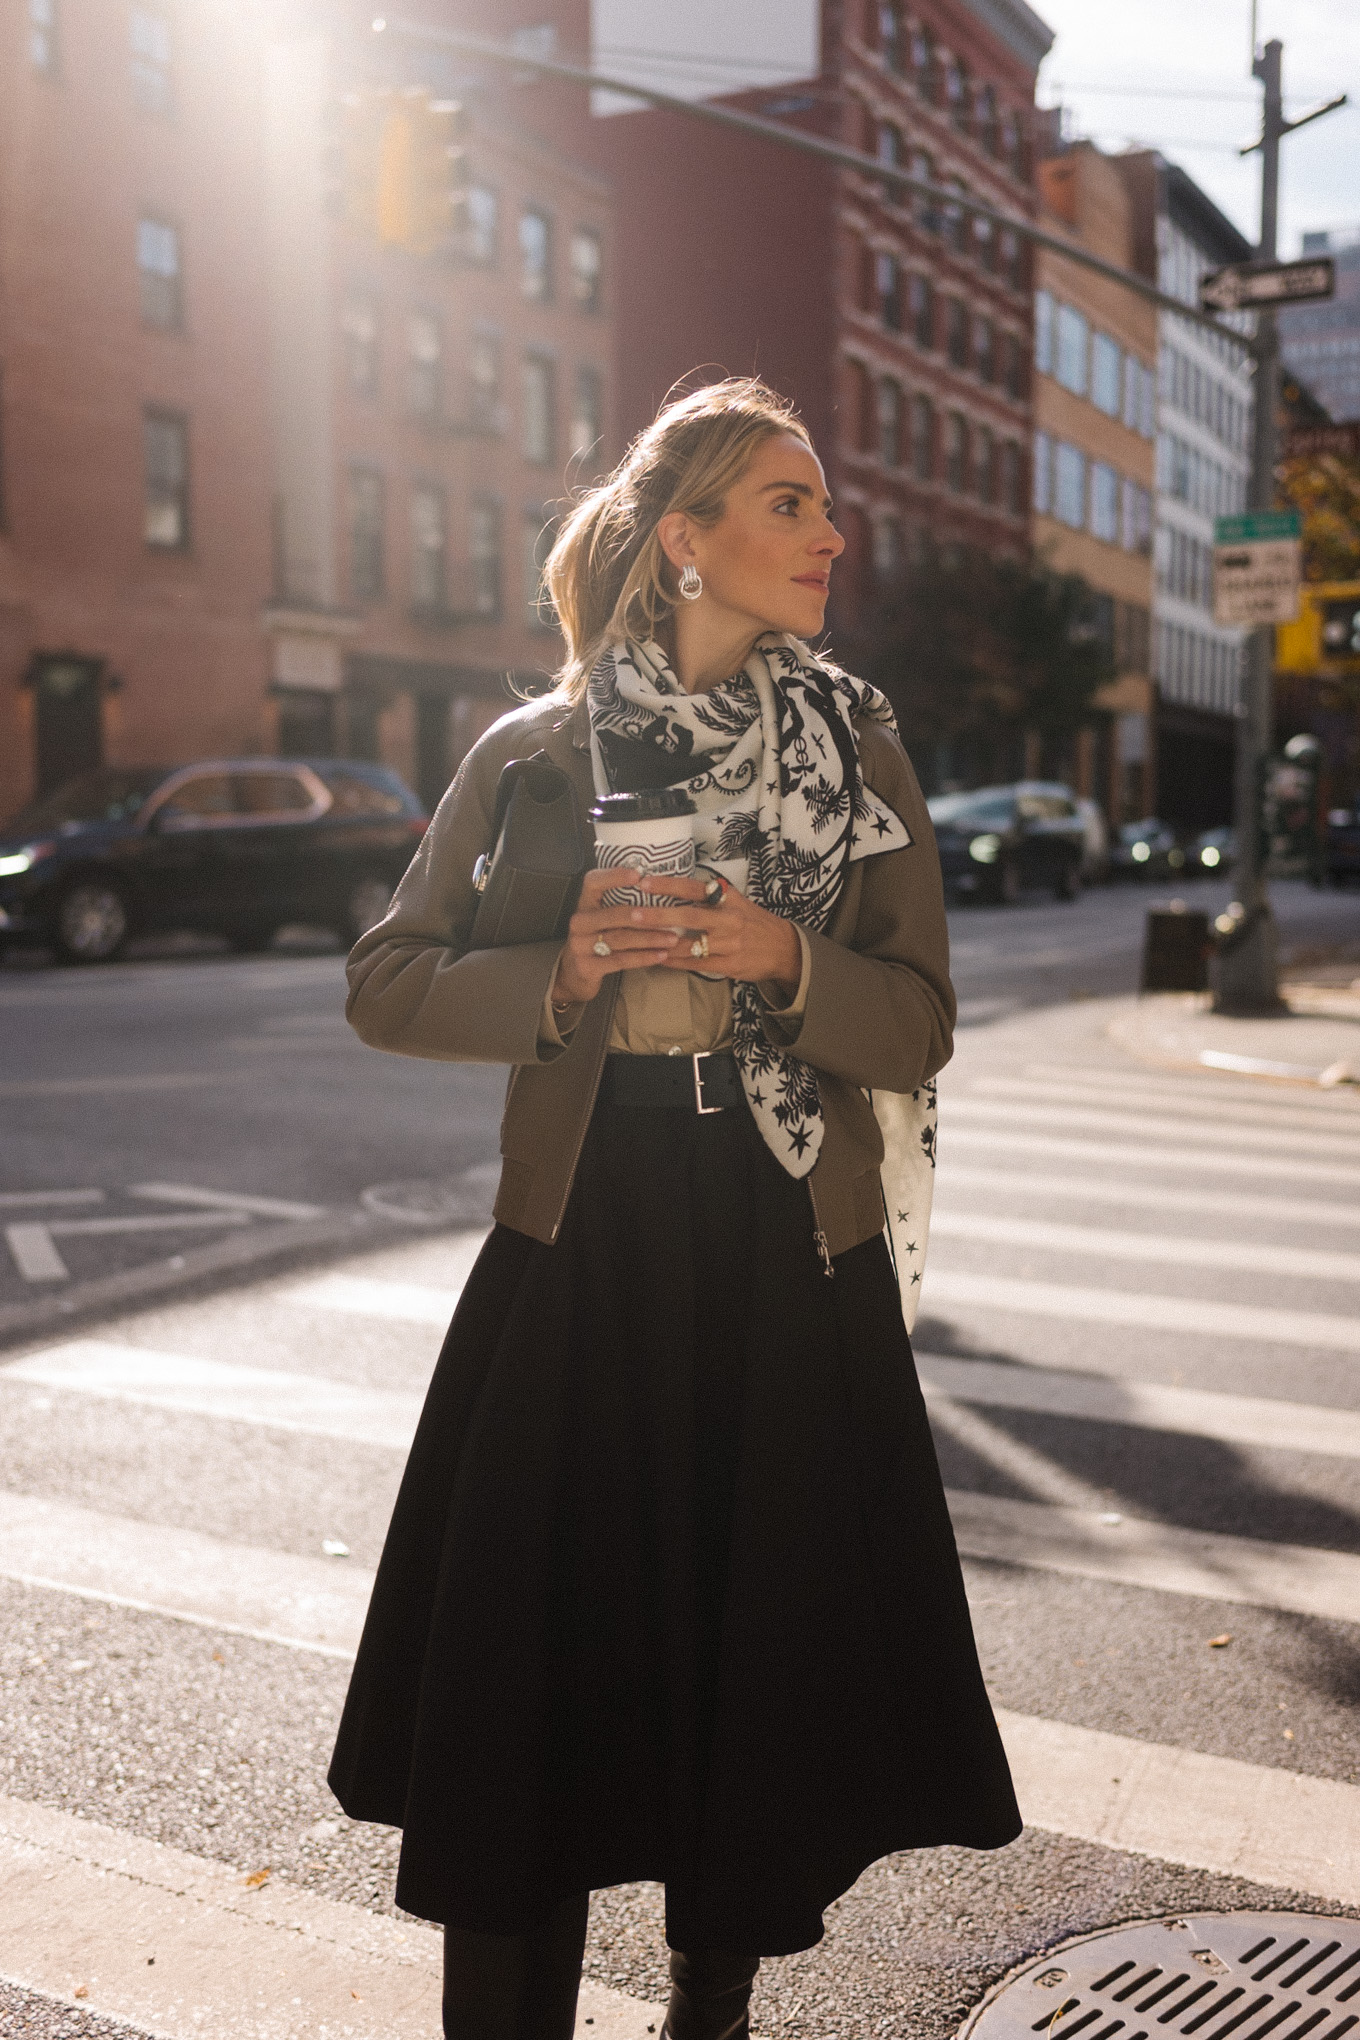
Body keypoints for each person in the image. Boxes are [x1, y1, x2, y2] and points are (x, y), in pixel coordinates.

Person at [328, 378, 1020, 2040]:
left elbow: (918, 1020)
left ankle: (710, 2012)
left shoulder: (857, 748)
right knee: (529, 1687)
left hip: (789, 1252)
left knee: (751, 1671)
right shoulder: (536, 753)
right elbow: (386, 980)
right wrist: (555, 967)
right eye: (788, 503)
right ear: (683, 541)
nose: (830, 534)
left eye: (826, 505)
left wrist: (789, 956)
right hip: (583, 1246)